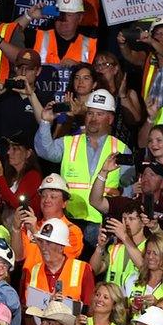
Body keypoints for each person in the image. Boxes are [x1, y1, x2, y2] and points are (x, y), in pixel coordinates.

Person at [35, 89, 129, 242]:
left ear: (110, 119)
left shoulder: (121, 149)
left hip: (102, 224)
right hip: (70, 221)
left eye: (100, 114)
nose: (94, 118)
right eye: (90, 113)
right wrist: (46, 122)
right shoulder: (70, 142)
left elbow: (128, 189)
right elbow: (45, 151)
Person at [0, 48, 49, 151]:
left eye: (29, 69)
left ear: (37, 71)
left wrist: (31, 95)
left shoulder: (43, 98)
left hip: (28, 159)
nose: (23, 73)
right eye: (20, 68)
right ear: (15, 69)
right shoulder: (1, 93)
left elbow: (45, 124)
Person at [11, 175, 85, 273]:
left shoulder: (72, 231)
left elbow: (56, 261)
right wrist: (16, 229)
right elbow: (17, 257)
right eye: (44, 196)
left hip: (53, 285)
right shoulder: (31, 224)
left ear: (64, 203)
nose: (47, 200)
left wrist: (35, 232)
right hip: (29, 284)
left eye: (53, 197)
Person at [19, 219, 94, 310]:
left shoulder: (82, 269)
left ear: (61, 247)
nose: (43, 247)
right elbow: (26, 310)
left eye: (49, 243)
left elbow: (89, 308)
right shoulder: (34, 270)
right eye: (42, 242)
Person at [13, 0, 98, 66]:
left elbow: (98, 75)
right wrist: (29, 16)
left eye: (69, 15)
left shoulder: (91, 45)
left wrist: (79, 66)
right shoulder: (39, 36)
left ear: (80, 18)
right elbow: (9, 33)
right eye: (60, 14)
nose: (63, 19)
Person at [117, 16, 163, 102]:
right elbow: (130, 55)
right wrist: (123, 44)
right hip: (149, 109)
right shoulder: (148, 57)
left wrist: (152, 41)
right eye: (156, 34)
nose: (159, 37)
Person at [0, 130, 43, 217]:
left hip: (25, 228)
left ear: (28, 153)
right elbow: (4, 201)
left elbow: (17, 205)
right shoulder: (11, 175)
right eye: (9, 148)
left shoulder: (33, 176)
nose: (8, 152)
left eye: (15, 149)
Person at [91, 200, 147, 287]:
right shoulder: (116, 248)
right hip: (112, 299)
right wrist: (100, 247)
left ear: (143, 222)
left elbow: (144, 268)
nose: (127, 223)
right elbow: (94, 270)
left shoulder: (150, 246)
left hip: (134, 299)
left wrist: (124, 237)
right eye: (124, 219)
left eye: (131, 219)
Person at [93, 51, 142, 144]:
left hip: (123, 147)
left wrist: (123, 96)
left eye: (105, 64)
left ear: (115, 69)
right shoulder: (93, 95)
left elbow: (135, 120)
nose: (100, 69)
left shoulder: (129, 93)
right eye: (97, 65)